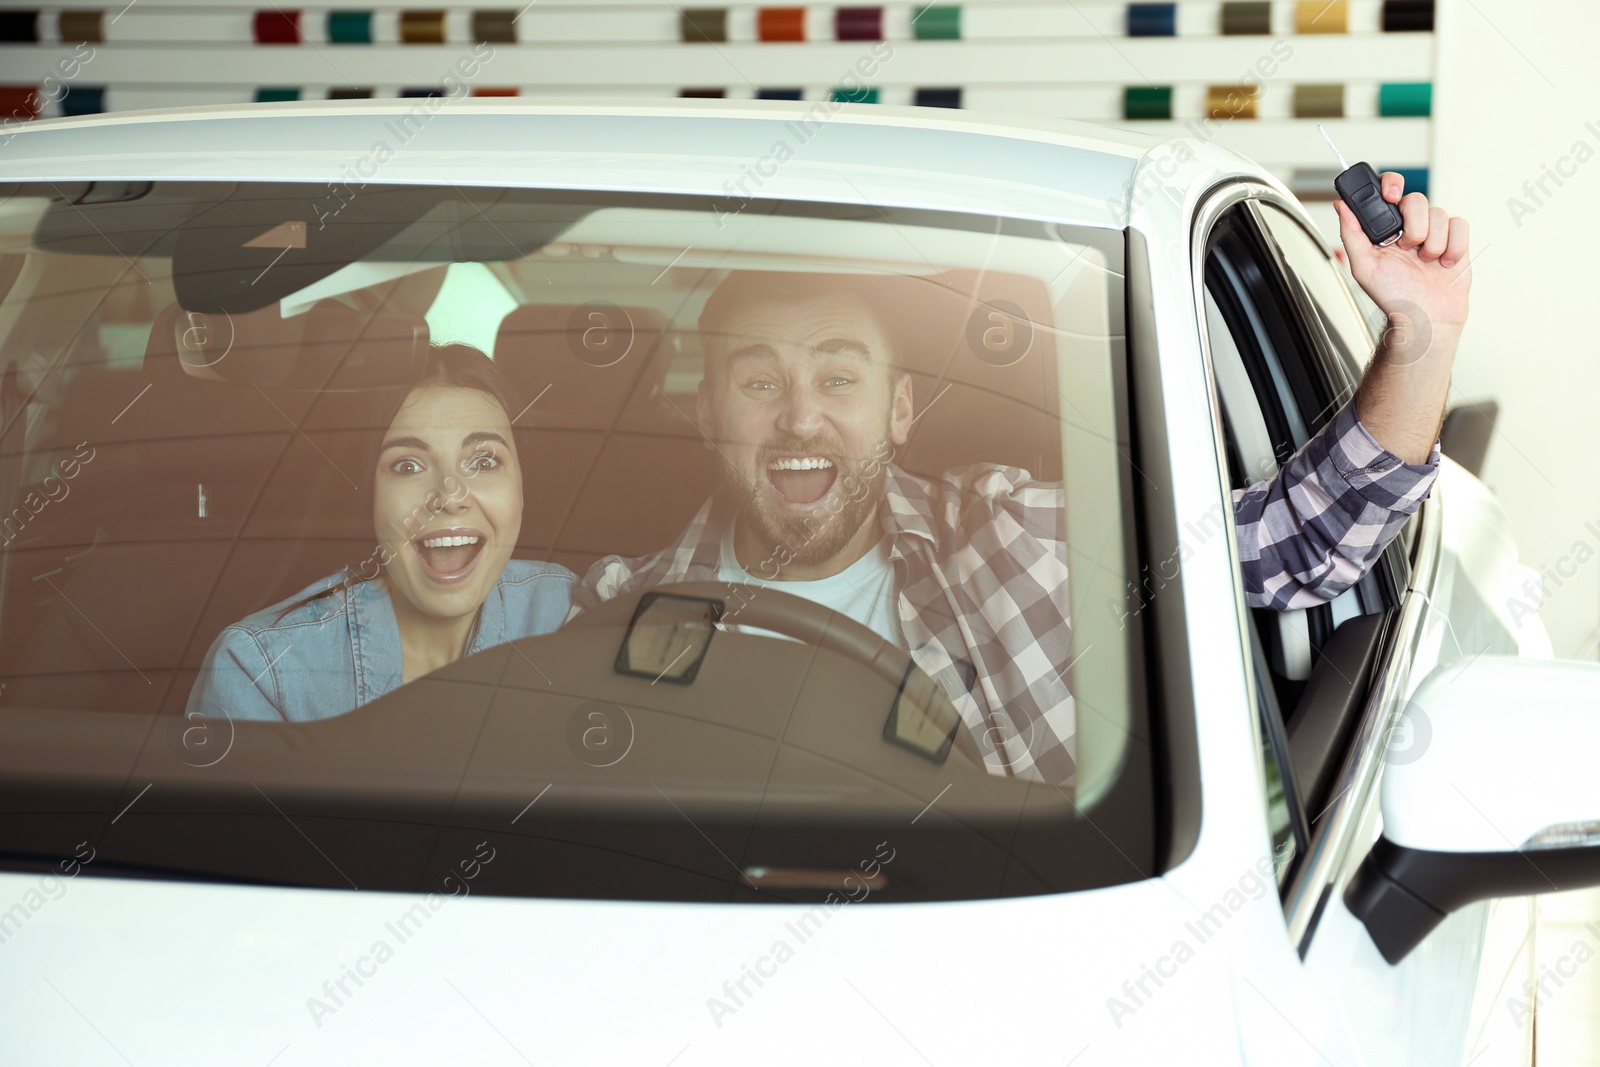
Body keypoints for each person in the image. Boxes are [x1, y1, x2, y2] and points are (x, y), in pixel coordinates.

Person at [569, 174, 1469, 786]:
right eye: (759, 381)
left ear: (900, 412)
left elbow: (1297, 546)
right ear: (705, 416)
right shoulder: (611, 612)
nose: (800, 418)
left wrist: (1421, 335)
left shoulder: (1014, 536)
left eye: (840, 378)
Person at [188, 343, 574, 722]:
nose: (450, 496)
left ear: (522, 487)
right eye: (408, 466)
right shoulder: (260, 672)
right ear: (368, 495)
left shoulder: (572, 613)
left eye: (484, 461)